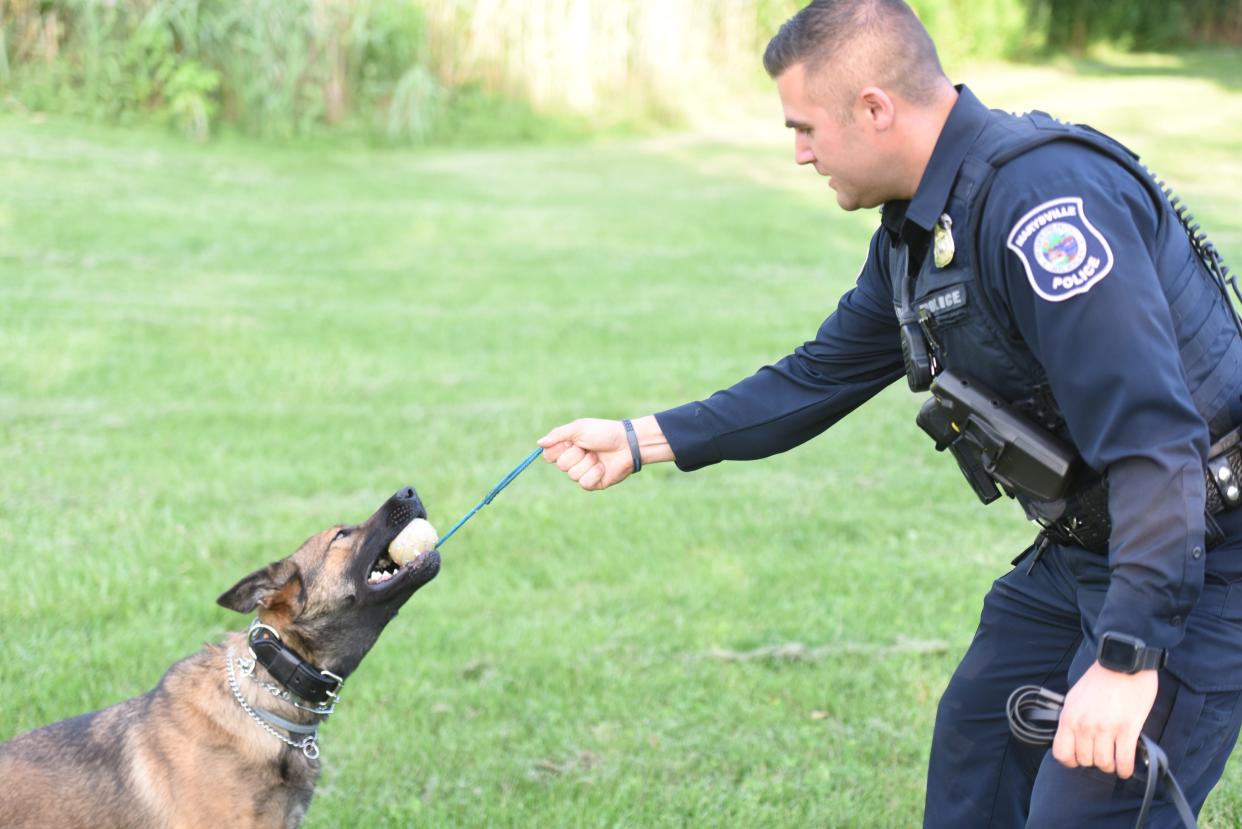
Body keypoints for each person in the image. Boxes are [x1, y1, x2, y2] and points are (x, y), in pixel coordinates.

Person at [538, 0, 1242, 826]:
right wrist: (638, 439)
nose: (798, 153)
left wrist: (1127, 661)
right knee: (978, 753)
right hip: (1091, 548)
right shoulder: (918, 230)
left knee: (1084, 813)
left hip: (1194, 557)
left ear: (875, 108)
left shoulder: (1040, 206)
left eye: (804, 128)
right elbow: (812, 378)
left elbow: (1156, 442)